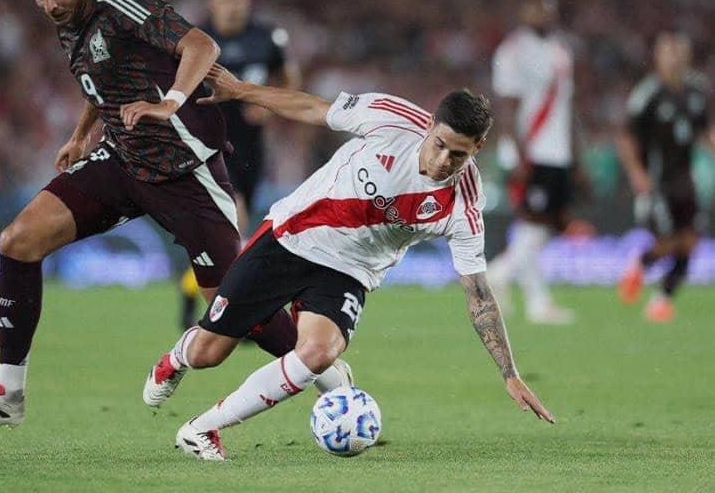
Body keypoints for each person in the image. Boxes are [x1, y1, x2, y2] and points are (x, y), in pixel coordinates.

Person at [0, 0, 346, 426]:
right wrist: (81, 133)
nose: (49, 6)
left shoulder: (121, 2)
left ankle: (335, 382)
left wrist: (170, 101)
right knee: (18, 240)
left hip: (185, 170)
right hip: (123, 160)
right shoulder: (71, 20)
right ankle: (8, 392)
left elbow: (201, 45)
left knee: (236, 308)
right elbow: (104, 77)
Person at [144, 66, 555, 461]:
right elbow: (312, 109)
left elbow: (479, 295)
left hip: (350, 271)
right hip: (291, 237)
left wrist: (509, 373)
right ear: (430, 125)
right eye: (440, 144)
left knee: (318, 353)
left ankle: (202, 428)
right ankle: (174, 360)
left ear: (478, 148)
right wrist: (241, 90)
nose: (444, 160)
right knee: (208, 352)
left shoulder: (464, 206)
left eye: (459, 154)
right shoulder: (391, 118)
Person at [177, 0, 302, 329]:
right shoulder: (195, 39)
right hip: (208, 145)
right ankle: (231, 314)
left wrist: (268, 104)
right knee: (235, 220)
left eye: (239, 0)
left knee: (231, 229)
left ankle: (194, 293)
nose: (233, 7)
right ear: (212, 2)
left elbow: (288, 77)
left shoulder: (266, 38)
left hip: (251, 148)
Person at [485, 0, 577, 324]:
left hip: (557, 151)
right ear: (523, 9)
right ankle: (500, 274)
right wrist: (518, 154)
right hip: (531, 151)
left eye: (548, 6)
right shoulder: (512, 51)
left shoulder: (560, 50)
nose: (543, 12)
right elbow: (507, 107)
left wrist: (575, 156)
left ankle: (536, 301)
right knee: (537, 224)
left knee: (544, 225)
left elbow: (568, 106)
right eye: (536, 6)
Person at [617, 31, 713, 322]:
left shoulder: (697, 90)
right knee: (669, 242)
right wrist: (636, 173)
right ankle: (642, 263)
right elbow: (626, 137)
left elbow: (703, 132)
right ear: (659, 56)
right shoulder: (648, 94)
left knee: (691, 243)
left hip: (687, 180)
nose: (675, 59)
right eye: (669, 53)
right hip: (658, 182)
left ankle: (661, 300)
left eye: (679, 52)